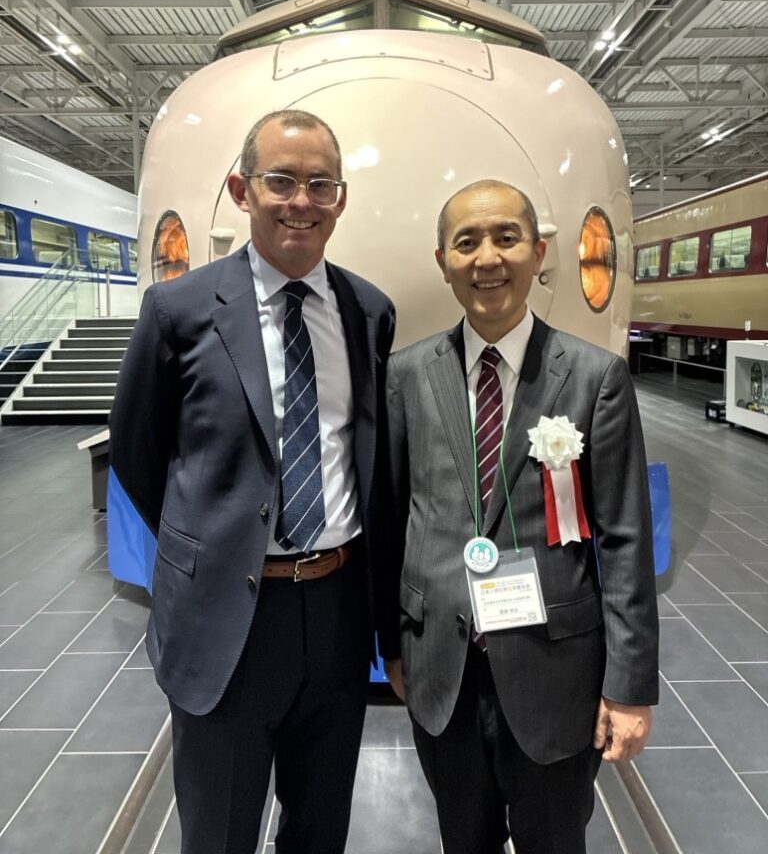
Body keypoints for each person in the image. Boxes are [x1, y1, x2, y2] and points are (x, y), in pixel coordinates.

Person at [109, 110, 398, 854]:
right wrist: (211, 541)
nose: (301, 201)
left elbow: (366, 455)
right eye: (281, 181)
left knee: (320, 827)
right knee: (220, 832)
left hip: (337, 610)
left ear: (340, 198)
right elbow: (139, 452)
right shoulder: (178, 310)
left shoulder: (369, 312)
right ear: (243, 190)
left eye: (320, 184)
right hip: (225, 616)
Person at [384, 180, 659, 854]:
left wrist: (629, 688)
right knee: (462, 839)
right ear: (443, 262)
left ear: (538, 254)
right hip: (443, 674)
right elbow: (392, 519)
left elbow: (625, 540)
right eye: (466, 242)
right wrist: (393, 645)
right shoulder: (406, 377)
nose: (488, 259)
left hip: (555, 675)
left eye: (507, 238)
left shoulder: (594, 377)